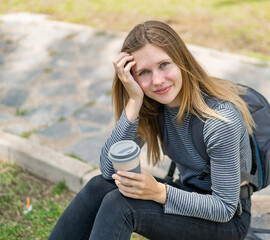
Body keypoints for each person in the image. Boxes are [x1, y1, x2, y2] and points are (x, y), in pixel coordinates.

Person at [48, 20, 255, 240]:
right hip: (188, 193)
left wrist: (158, 192)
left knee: (121, 205)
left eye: (164, 64)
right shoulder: (155, 106)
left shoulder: (220, 121)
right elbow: (109, 170)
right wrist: (134, 100)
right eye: (144, 72)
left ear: (181, 61)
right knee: (100, 186)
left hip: (228, 220)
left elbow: (224, 207)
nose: (157, 81)